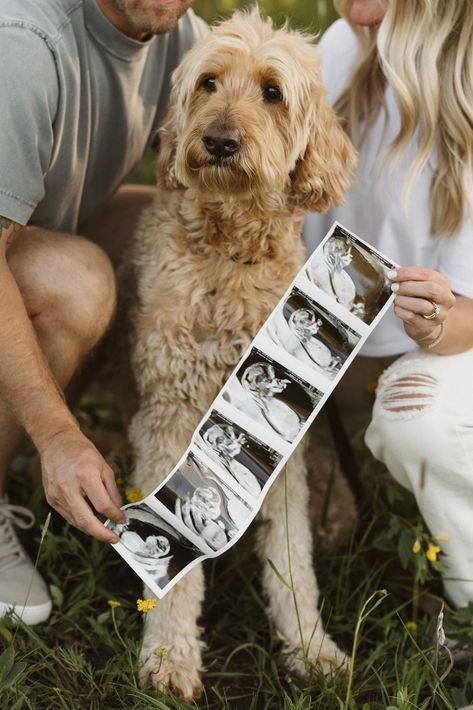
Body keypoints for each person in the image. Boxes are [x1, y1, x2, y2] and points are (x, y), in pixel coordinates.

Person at [0, 0, 206, 624]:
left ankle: (22, 451)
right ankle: (43, 447)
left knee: (163, 230)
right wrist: (61, 436)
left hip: (24, 240)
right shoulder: (27, 46)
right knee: (78, 281)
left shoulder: (174, 33)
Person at [304, 0, 473, 608]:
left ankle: (467, 602)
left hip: (447, 349)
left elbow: (468, 318)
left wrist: (435, 323)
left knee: (416, 415)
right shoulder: (341, 47)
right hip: (338, 342)